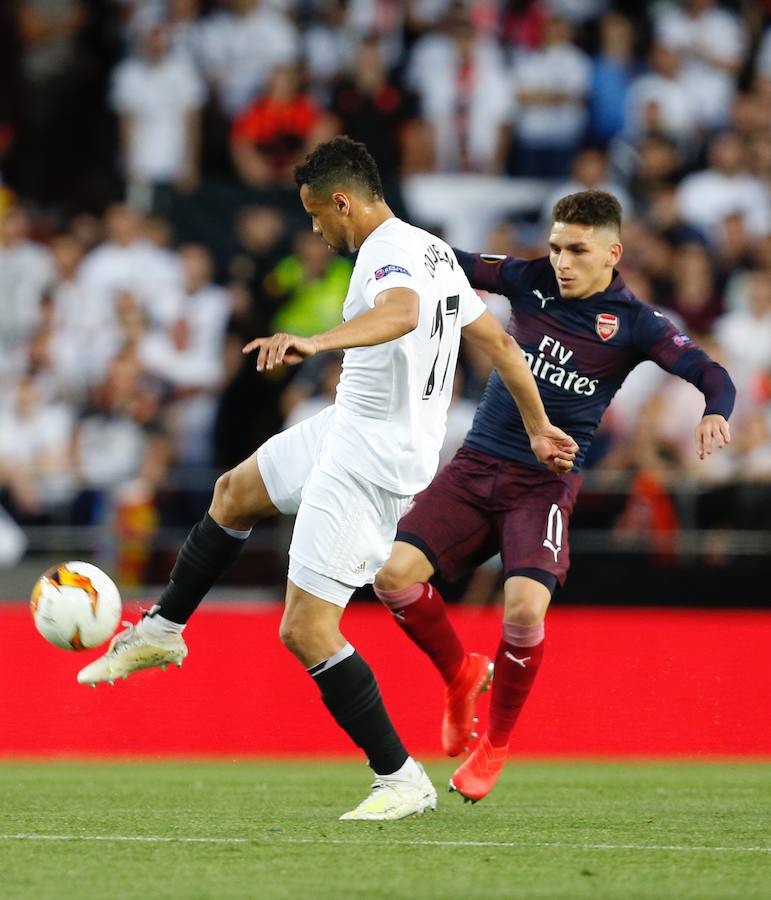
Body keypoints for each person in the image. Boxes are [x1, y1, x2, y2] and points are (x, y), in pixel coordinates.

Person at [76, 137, 577, 821]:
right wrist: (538, 424)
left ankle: (400, 777)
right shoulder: (432, 249)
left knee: (305, 629)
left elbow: (400, 311)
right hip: (351, 425)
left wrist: (316, 342)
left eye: (316, 215)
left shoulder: (386, 255)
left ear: (343, 202)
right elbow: (500, 345)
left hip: (372, 455)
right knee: (235, 492)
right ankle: (163, 629)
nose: (315, 229)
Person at [372, 189, 736, 803]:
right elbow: (449, 260)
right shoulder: (528, 278)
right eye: (556, 247)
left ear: (612, 253)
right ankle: (461, 674)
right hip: (474, 467)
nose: (562, 261)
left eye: (577, 250)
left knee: (523, 612)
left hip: (542, 486)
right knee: (392, 577)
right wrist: (386, 232)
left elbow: (712, 373)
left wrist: (714, 413)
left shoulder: (636, 323)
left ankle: (498, 744)